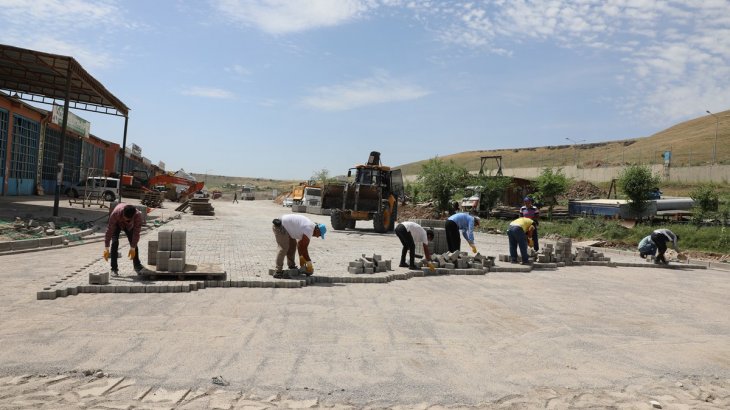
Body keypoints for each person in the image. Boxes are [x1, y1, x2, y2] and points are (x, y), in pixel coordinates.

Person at [272, 214, 326, 278]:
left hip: (287, 228)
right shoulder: (309, 229)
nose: (317, 237)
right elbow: (304, 249)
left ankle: (291, 266)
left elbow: (300, 246)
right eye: (319, 235)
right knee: (283, 248)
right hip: (280, 226)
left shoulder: (310, 227)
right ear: (317, 230)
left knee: (293, 245)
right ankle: (278, 271)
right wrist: (309, 265)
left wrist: (302, 264)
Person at [104, 203, 144, 276]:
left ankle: (137, 266)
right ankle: (114, 269)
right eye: (125, 218)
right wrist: (106, 247)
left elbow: (136, 232)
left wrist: (133, 247)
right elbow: (109, 230)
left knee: (134, 243)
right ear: (123, 214)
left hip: (129, 226)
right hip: (117, 224)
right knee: (114, 243)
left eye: (128, 219)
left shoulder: (137, 215)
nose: (126, 220)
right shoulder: (115, 214)